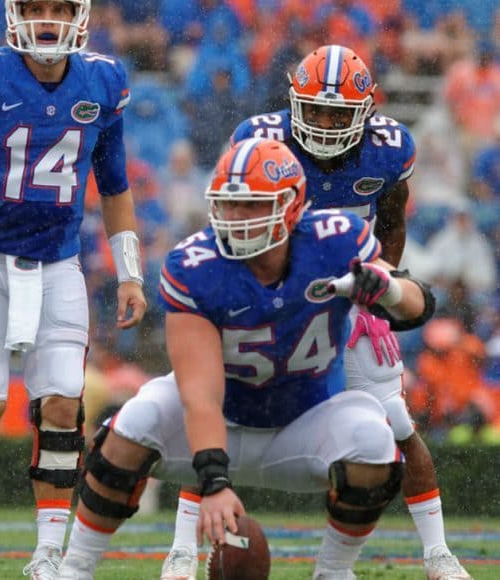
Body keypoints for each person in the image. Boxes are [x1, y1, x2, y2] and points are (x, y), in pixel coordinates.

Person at [153, 43, 469, 580]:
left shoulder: (388, 151)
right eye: (315, 110)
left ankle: (438, 553)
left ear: (366, 112)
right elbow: (230, 224)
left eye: (337, 113)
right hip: (270, 295)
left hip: (346, 293)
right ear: (293, 102)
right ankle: (182, 550)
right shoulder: (261, 140)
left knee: (394, 421)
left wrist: (379, 290)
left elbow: (391, 224)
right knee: (216, 409)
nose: (323, 124)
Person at [57, 138, 437, 579]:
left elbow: (418, 304)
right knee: (131, 425)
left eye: (252, 205)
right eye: (229, 204)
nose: (236, 218)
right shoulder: (195, 265)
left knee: (375, 441)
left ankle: (333, 572)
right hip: (224, 414)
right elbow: (198, 393)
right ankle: (75, 569)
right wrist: (215, 481)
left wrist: (387, 288)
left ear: (292, 206)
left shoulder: (336, 240)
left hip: (305, 420)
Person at [0, 1, 147, 578]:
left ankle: (49, 552)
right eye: (35, 7)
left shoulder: (102, 80)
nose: (47, 19)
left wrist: (131, 271)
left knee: (64, 405)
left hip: (58, 263)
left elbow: (114, 187)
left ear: (80, 15)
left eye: (58, 8)